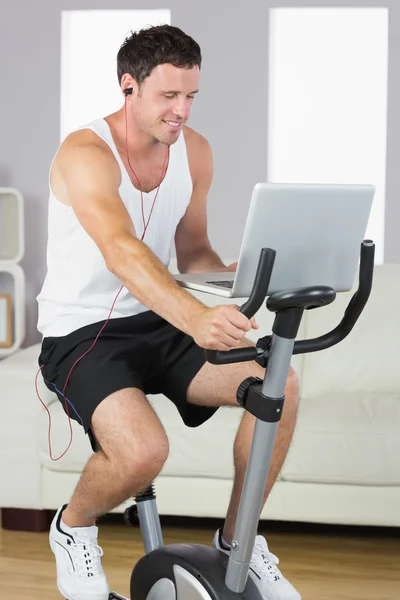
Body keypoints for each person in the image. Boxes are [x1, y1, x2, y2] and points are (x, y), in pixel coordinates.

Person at [37, 24, 301, 600]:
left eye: (191, 96)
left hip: (159, 318)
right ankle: (73, 527)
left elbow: (194, 253)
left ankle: (240, 540)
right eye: (169, 96)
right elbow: (122, 251)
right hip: (83, 332)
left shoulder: (195, 152)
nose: (182, 111)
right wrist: (196, 318)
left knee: (277, 383)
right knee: (144, 452)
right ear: (128, 87)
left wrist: (249, 273)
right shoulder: (85, 153)